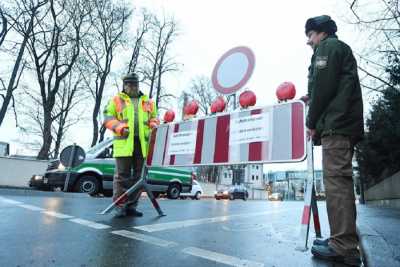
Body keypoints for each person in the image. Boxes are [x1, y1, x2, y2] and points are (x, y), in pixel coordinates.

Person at [304, 15, 364, 266]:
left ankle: (344, 246)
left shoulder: (328, 48)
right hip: (340, 126)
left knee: (337, 185)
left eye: (310, 35)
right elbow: (327, 87)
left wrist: (311, 121)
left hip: (336, 128)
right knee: (338, 183)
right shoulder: (337, 49)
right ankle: (341, 239)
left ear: (321, 33)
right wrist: (314, 96)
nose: (308, 42)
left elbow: (324, 89)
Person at [103, 73, 159, 217]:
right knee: (122, 176)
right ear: (124, 85)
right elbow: (108, 117)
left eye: (134, 84)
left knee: (139, 177)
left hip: (142, 144)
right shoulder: (116, 99)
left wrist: (153, 125)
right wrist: (120, 128)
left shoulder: (147, 101)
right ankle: (120, 206)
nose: (132, 87)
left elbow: (154, 118)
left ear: (138, 85)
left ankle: (131, 206)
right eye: (129, 84)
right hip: (124, 143)